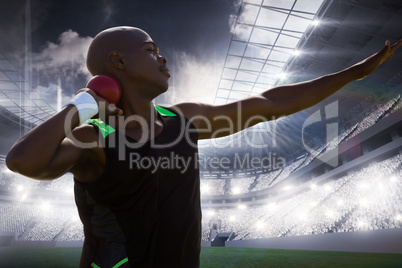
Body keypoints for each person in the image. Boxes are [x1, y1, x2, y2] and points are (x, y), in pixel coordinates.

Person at [5, 26, 401, 267]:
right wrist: (83, 104)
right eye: (149, 50)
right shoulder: (94, 135)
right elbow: (22, 160)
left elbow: (273, 103)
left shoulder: (184, 119)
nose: (162, 58)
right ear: (117, 61)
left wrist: (354, 73)